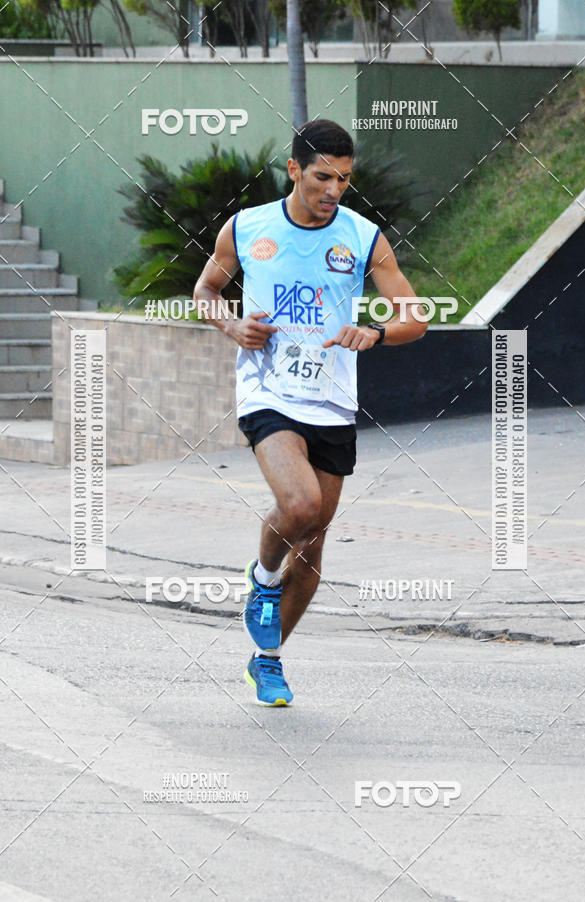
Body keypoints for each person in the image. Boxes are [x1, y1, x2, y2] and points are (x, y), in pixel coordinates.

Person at [193, 119, 426, 706]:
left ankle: (267, 659)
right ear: (294, 169)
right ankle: (263, 580)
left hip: (332, 401)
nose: (333, 189)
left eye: (344, 179)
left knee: (314, 539)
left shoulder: (365, 237)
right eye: (322, 176)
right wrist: (231, 323)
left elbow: (415, 317)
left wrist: (375, 332)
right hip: (267, 391)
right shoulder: (247, 228)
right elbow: (206, 292)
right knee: (300, 505)